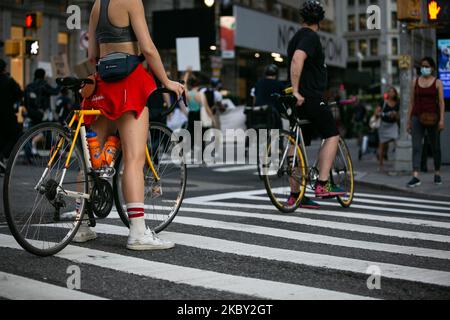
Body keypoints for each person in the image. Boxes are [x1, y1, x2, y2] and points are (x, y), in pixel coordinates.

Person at [79, 0, 184, 250]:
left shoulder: (96, 6)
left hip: (102, 83)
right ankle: (138, 232)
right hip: (129, 82)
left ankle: (80, 224)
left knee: (92, 157)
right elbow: (147, 48)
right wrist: (167, 81)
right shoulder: (131, 1)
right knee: (135, 160)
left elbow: (92, 53)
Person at [287, 0, 346, 208]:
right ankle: (322, 183)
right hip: (310, 97)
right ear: (320, 21)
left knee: (297, 145)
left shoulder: (295, 37)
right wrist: (296, 90)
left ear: (301, 18)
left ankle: (296, 196)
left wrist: (294, 93)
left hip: (298, 101)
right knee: (332, 134)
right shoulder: (310, 37)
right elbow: (297, 59)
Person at [407, 57, 445, 188]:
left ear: (432, 68)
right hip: (417, 117)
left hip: (433, 118)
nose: (424, 68)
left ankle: (437, 172)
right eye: (422, 66)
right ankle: (416, 176)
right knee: (416, 147)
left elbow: (441, 102)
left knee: (435, 147)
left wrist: (442, 120)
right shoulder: (415, 82)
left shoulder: (438, 82)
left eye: (427, 66)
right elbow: (411, 102)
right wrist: (408, 121)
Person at [0, 59, 23, 173]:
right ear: (4, 68)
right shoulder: (8, 81)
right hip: (7, 114)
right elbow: (19, 93)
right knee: (14, 135)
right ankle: (2, 156)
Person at [374, 87, 400, 172]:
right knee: (382, 145)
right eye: (390, 92)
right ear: (387, 93)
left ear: (395, 93)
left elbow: (399, 117)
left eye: (393, 92)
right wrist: (384, 114)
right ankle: (381, 164)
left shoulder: (397, 103)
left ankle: (398, 161)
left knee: (397, 142)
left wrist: (395, 115)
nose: (391, 93)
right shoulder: (383, 102)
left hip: (393, 125)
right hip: (384, 125)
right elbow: (376, 113)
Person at [253, 64, 285, 130]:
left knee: (262, 135)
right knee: (276, 135)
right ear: (276, 73)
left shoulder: (259, 83)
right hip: (274, 113)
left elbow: (255, 98)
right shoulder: (279, 84)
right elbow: (283, 99)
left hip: (260, 112)